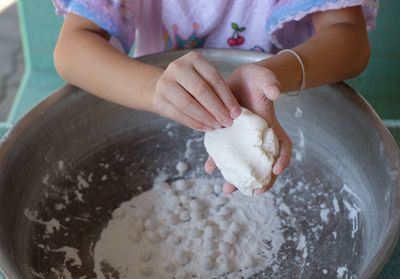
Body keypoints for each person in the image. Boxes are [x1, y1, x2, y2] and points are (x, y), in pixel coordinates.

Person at [52, 0, 377, 194]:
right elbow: (72, 47)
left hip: (275, 101)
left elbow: (349, 38)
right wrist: (152, 88)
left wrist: (274, 72)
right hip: (163, 103)